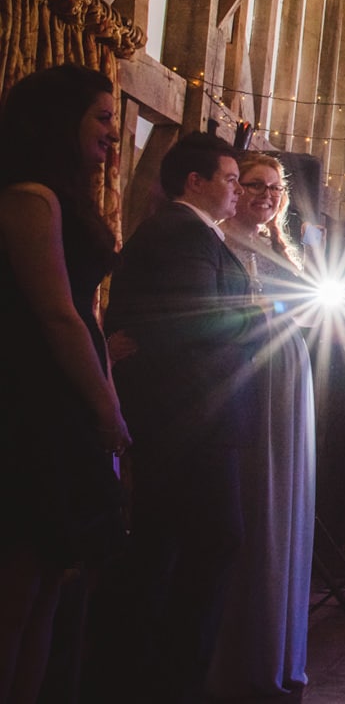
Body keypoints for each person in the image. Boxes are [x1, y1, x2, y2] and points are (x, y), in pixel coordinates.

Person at [92, 131, 263, 703]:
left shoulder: (188, 233)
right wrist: (263, 315)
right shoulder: (180, 234)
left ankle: (150, 676)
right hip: (190, 418)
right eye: (232, 179)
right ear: (196, 182)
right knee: (211, 541)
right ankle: (174, 679)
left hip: (187, 415)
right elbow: (197, 322)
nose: (238, 191)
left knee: (169, 545)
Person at [0, 66, 128, 703]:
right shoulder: (30, 196)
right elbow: (56, 312)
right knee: (18, 588)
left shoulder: (64, 195)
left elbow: (89, 315)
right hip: (34, 401)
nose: (114, 131)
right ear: (60, 119)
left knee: (52, 582)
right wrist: (104, 405)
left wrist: (105, 395)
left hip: (69, 397)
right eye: (102, 117)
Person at [207, 152, 316, 696]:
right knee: (254, 499)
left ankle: (277, 649)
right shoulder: (217, 240)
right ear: (232, 187)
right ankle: (240, 652)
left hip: (289, 374)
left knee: (285, 502)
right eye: (254, 184)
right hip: (249, 372)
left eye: (276, 188)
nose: (267, 196)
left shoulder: (281, 248)